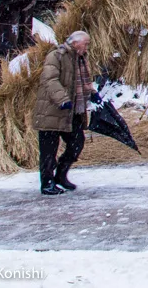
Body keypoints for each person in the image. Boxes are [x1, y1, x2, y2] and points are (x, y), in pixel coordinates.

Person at [34, 31, 99, 195]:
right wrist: (62, 99)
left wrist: (92, 92)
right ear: (75, 43)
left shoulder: (81, 59)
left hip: (73, 111)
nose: (87, 47)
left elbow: (82, 80)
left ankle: (61, 175)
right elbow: (50, 79)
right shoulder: (57, 56)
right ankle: (47, 182)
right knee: (49, 149)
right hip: (52, 110)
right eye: (86, 43)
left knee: (77, 143)